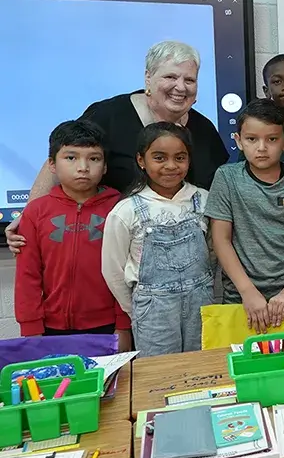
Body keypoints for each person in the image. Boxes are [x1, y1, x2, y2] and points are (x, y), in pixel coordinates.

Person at [7, 41, 229, 252]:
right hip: (105, 248)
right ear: (148, 78)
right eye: (170, 76)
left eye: (189, 80)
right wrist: (29, 215)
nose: (180, 87)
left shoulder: (205, 130)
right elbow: (63, 158)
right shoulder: (107, 116)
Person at [15, 121, 130, 350]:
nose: (83, 167)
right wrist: (31, 329)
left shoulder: (119, 208)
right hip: (50, 329)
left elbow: (125, 271)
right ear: (52, 165)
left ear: (105, 166)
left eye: (94, 159)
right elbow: (28, 276)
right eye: (71, 158)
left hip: (108, 326)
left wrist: (124, 325)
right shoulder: (36, 212)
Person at [206, 99, 284, 332]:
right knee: (243, 364)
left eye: (272, 139)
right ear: (238, 141)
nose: (262, 147)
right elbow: (221, 240)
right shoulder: (227, 178)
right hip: (241, 299)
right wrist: (248, 292)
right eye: (251, 139)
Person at [101, 123, 212, 356]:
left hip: (201, 306)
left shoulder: (203, 200)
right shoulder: (126, 211)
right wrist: (138, 309)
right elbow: (112, 269)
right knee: (160, 375)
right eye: (159, 158)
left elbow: (214, 252)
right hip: (153, 312)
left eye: (180, 157)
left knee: (203, 368)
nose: (171, 166)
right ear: (142, 160)